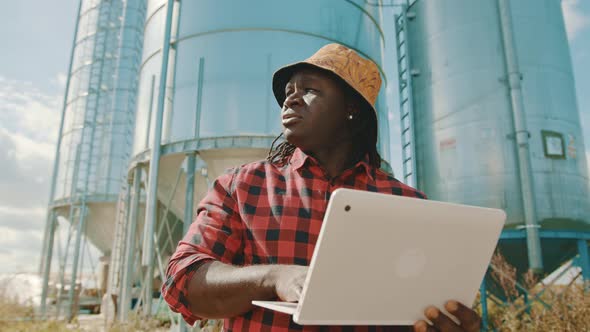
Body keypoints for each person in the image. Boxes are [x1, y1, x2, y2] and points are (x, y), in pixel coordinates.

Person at [163, 43, 482, 332]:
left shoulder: (408, 204)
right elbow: (182, 282)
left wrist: (447, 323)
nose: (291, 98)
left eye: (310, 89)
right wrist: (275, 278)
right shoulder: (242, 186)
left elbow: (417, 310)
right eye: (288, 91)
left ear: (351, 109)